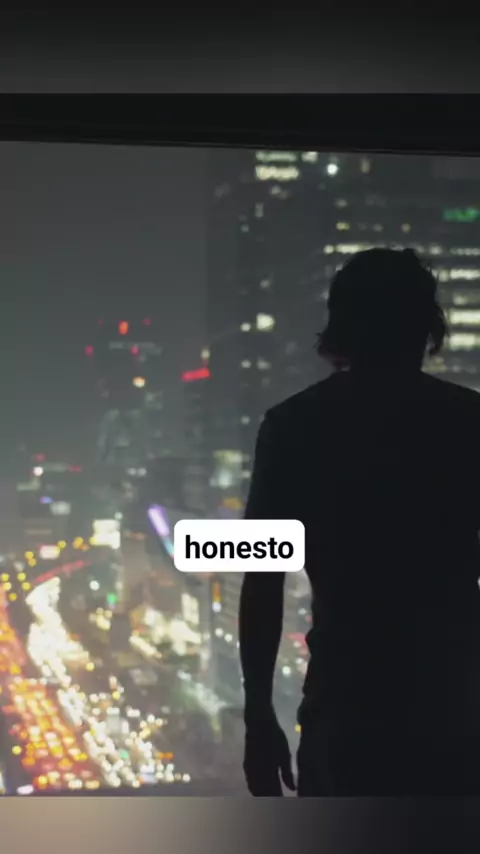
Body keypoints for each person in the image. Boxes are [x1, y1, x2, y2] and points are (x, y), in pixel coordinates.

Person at [239, 248, 480, 796]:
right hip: (451, 704)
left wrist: (258, 717)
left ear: (342, 330)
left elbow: (262, 582)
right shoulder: (467, 423)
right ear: (427, 328)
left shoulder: (294, 426)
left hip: (344, 700)